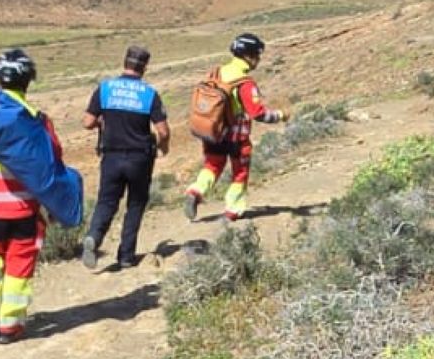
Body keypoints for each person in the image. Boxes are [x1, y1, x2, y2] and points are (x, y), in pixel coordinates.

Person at [0, 47, 83, 344]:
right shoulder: (37, 120)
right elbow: (51, 164)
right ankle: (8, 326)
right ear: (28, 81)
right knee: (19, 264)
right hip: (23, 211)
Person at [81, 45, 170, 272]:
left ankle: (94, 236)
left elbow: (87, 122)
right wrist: (163, 147)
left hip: (111, 156)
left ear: (125, 63)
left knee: (106, 202)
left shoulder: (105, 88)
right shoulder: (149, 93)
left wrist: (103, 120)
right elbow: (163, 131)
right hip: (140, 158)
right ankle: (126, 256)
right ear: (144, 67)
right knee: (136, 204)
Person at [185, 32, 288, 223]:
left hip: (213, 132)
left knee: (212, 165)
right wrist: (280, 116)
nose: (258, 59)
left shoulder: (216, 73)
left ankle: (195, 191)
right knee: (240, 171)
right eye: (257, 55)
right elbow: (258, 113)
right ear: (248, 56)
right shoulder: (245, 83)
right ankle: (233, 210)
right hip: (237, 138)